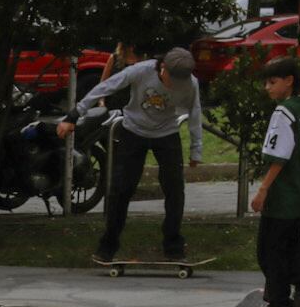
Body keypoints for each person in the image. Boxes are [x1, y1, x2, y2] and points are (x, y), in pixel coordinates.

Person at [59, 46, 202, 262]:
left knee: (175, 189)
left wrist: (196, 149)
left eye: (180, 81)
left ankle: (174, 247)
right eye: (171, 79)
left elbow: (195, 112)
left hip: (167, 134)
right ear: (162, 67)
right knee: (121, 189)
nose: (175, 85)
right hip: (133, 130)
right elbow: (105, 87)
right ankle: (107, 246)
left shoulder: (190, 83)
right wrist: (74, 115)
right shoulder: (141, 71)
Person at [251, 56, 300, 307]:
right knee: (290, 241)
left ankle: (280, 305)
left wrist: (263, 190)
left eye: (272, 82)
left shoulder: (284, 112)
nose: (267, 88)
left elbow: (279, 156)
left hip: (286, 192)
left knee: (269, 250)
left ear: (289, 81)